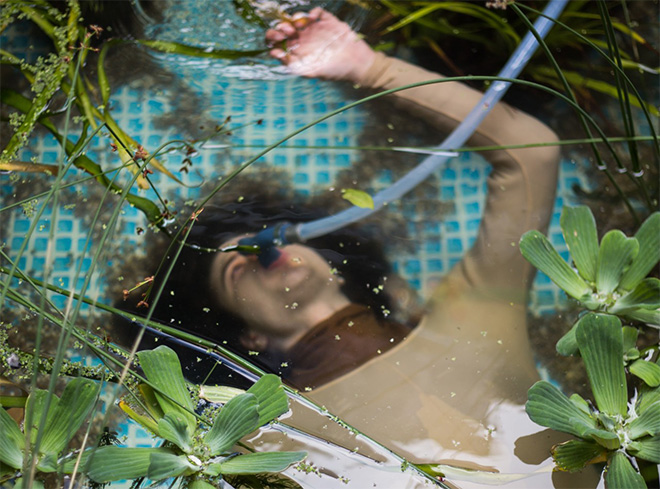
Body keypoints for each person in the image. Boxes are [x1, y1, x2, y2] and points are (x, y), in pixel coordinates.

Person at [119, 7, 599, 488]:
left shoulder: (469, 318)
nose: (260, 253)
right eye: (238, 271)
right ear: (250, 340)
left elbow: (529, 153)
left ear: (335, 264)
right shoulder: (263, 435)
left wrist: (371, 68)